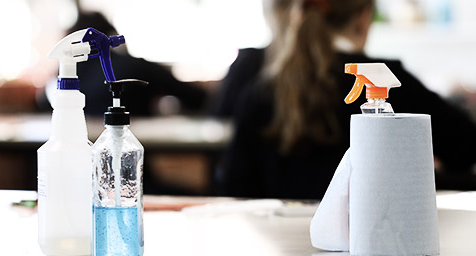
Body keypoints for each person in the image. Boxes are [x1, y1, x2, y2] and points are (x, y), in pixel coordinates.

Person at [219, 0, 476, 199]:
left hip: (282, 252)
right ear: (363, 18)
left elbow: (234, 185)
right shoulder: (387, 81)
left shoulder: (263, 88)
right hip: (375, 247)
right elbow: (465, 147)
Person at [39, 11, 208, 117]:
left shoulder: (63, 76)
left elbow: (44, 104)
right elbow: (195, 98)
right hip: (128, 159)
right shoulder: (136, 67)